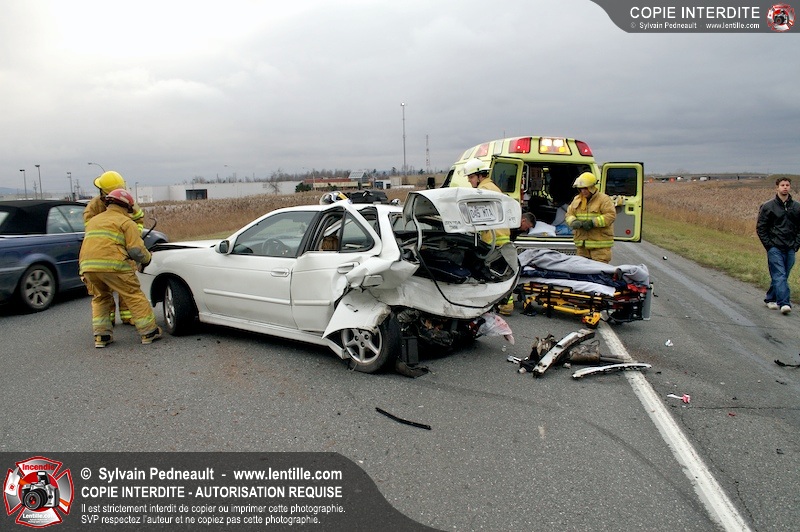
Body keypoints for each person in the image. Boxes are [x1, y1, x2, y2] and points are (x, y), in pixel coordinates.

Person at [79, 189, 162, 348]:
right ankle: (149, 332)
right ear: (127, 207)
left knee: (101, 298)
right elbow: (136, 250)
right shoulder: (126, 222)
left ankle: (102, 336)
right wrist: (147, 258)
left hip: (88, 266)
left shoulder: (94, 221)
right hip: (113, 265)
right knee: (133, 295)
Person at [83, 170, 146, 326]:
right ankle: (108, 319)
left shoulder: (128, 203)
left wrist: (131, 237)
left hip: (118, 251)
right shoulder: (94, 206)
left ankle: (125, 317)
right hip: (106, 251)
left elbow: (138, 221)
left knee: (124, 287)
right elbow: (92, 230)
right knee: (109, 290)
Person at [464, 158, 517, 315]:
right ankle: (506, 305)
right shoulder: (493, 187)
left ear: (480, 175)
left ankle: (503, 305)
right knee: (503, 271)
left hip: (493, 239)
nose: (469, 180)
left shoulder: (482, 190)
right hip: (502, 235)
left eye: (471, 177)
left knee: (493, 273)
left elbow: (478, 216)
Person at [756, 177, 800, 314]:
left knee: (782, 275)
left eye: (787, 185)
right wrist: (769, 245)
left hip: (790, 247)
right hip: (775, 247)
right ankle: (784, 303)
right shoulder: (768, 206)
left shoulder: (796, 207)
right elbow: (761, 228)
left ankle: (770, 298)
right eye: (782, 185)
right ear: (777, 187)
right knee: (780, 274)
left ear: (790, 187)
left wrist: (796, 244)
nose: (785, 187)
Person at [564, 172, 616, 263]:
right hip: (582, 246)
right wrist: (573, 221)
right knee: (582, 269)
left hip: (600, 246)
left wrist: (593, 222)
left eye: (585, 188)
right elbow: (569, 214)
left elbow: (610, 215)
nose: (583, 191)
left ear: (592, 187)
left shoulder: (603, 199)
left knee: (599, 270)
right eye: (581, 189)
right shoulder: (577, 199)